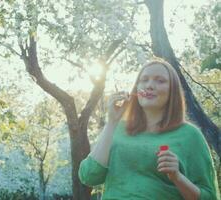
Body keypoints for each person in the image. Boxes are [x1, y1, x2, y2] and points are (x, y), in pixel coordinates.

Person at [78, 58, 220, 200]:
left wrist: (177, 177)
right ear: (136, 88)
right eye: (144, 80)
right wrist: (112, 122)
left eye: (160, 81)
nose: (150, 85)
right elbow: (89, 176)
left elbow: (209, 197)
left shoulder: (190, 135)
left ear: (173, 91)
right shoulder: (117, 128)